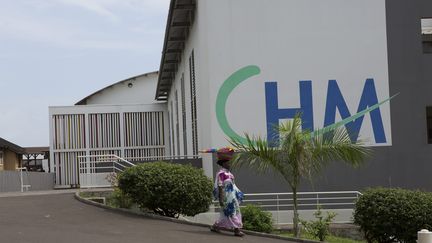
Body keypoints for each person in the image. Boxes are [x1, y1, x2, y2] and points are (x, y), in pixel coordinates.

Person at [210, 147, 245, 237]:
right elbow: (220, 186)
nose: (230, 164)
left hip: (232, 196)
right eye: (229, 163)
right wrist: (221, 198)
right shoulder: (221, 174)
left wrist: (238, 193)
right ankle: (237, 230)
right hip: (226, 197)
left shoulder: (230, 174)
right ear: (224, 163)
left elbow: (233, 185)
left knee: (231, 213)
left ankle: (215, 226)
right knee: (231, 212)